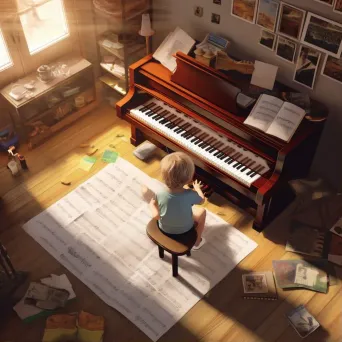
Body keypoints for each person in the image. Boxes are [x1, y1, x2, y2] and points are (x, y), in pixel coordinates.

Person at [143, 152, 207, 250]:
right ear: (189, 178)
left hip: (165, 229)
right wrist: (197, 188)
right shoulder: (190, 194)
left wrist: (151, 205)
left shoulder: (160, 193)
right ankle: (197, 241)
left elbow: (156, 216)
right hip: (186, 229)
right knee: (202, 212)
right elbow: (202, 200)